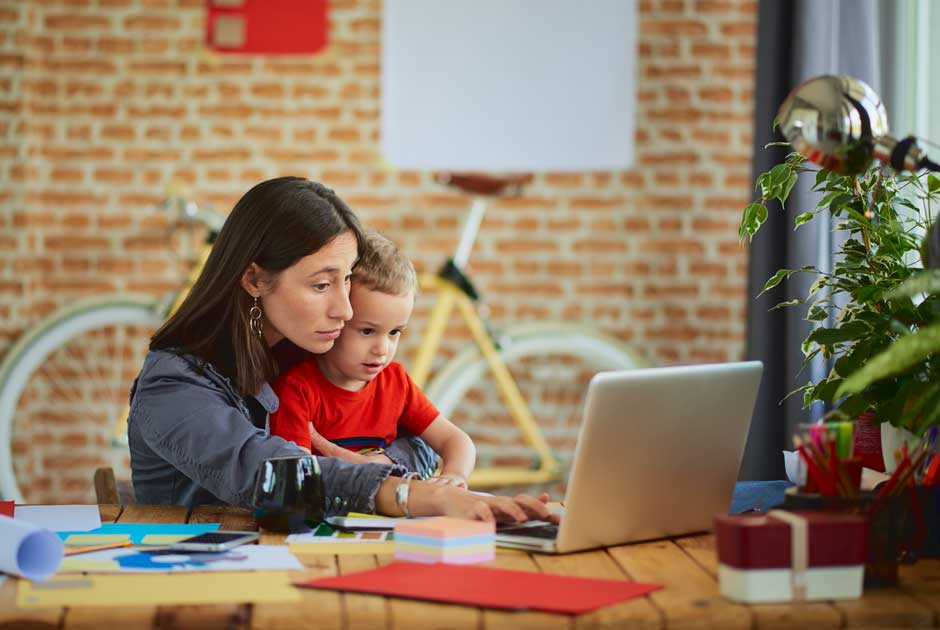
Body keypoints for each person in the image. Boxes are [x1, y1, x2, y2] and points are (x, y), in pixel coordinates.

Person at [127, 176, 556, 524]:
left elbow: (419, 444)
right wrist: (404, 489)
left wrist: (389, 472)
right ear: (254, 280)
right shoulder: (174, 383)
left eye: (347, 278)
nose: (345, 308)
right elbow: (270, 473)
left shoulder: (307, 355)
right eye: (320, 284)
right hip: (198, 575)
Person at [270, 231, 475, 488]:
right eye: (367, 331)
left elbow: (455, 440)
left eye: (394, 332)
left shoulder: (395, 382)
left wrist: (455, 475)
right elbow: (296, 482)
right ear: (337, 317)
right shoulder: (297, 390)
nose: (382, 349)